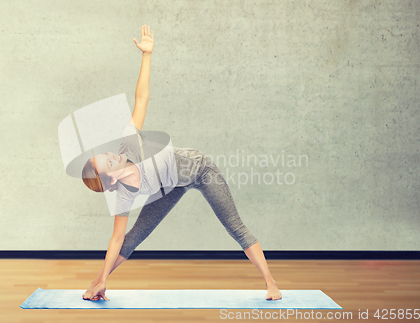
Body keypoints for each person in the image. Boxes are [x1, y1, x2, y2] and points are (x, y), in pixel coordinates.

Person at [81, 24, 282, 302]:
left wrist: (147, 55)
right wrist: (103, 278)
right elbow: (117, 239)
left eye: (105, 154)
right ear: (112, 180)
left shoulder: (129, 142)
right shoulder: (123, 195)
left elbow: (142, 98)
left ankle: (271, 284)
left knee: (235, 226)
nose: (111, 155)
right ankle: (98, 282)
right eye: (107, 163)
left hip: (199, 170)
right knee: (133, 238)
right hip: (167, 188)